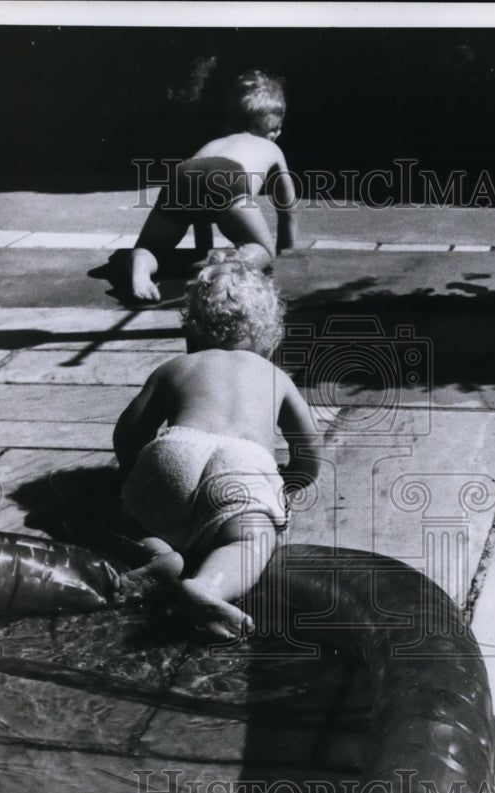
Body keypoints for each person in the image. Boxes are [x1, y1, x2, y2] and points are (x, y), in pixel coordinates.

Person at [113, 261, 320, 639]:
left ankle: (159, 555)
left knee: (137, 517)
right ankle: (209, 586)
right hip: (242, 465)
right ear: (271, 339)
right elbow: (308, 451)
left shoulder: (176, 367)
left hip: (175, 451)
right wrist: (288, 481)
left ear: (189, 329)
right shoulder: (275, 376)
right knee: (250, 539)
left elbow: (129, 433)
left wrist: (135, 477)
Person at [128, 70, 297, 302]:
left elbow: (200, 215)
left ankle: (140, 271)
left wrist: (203, 251)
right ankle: (224, 268)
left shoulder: (214, 144)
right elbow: (287, 210)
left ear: (229, 122)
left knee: (150, 246)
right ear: (275, 131)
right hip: (228, 175)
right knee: (262, 250)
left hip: (184, 171)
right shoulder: (272, 148)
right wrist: (285, 254)